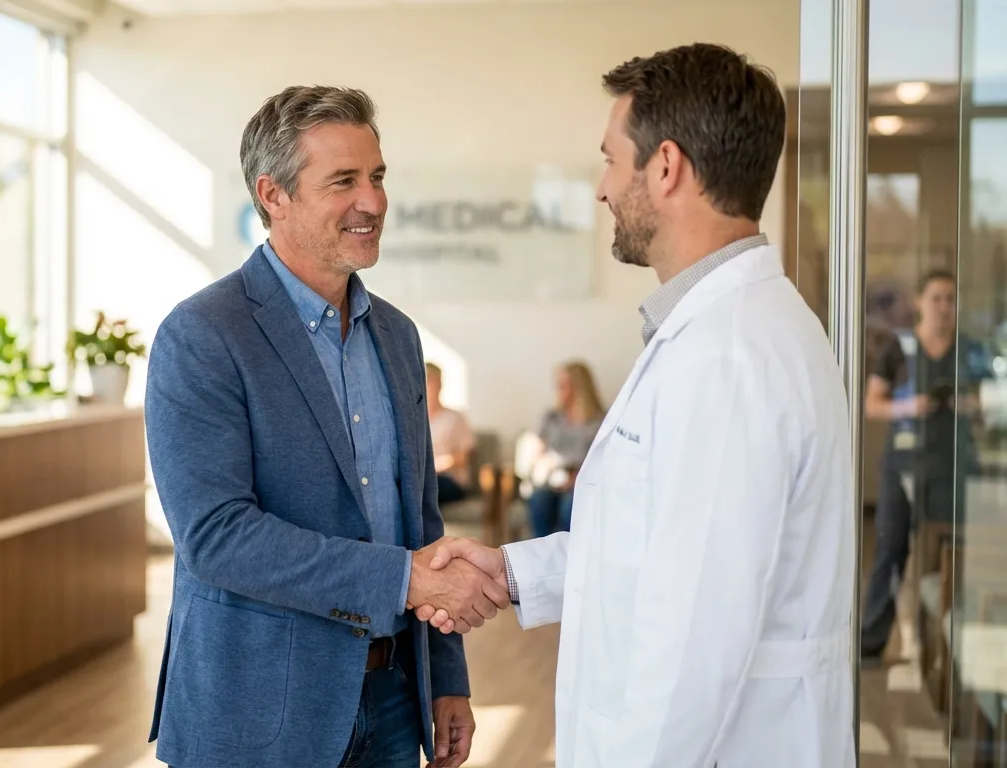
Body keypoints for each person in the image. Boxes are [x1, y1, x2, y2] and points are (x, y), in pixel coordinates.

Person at [411, 43, 857, 767]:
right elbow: (655, 547)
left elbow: (692, 639)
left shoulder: (729, 355)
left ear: (668, 166)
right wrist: (511, 572)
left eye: (612, 160)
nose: (602, 189)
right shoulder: (718, 332)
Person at [144, 85, 506, 768]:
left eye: (376, 177)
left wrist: (447, 679)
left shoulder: (396, 336)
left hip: (396, 696)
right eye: (343, 180)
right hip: (259, 713)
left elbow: (421, 523)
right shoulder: (201, 335)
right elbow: (216, 537)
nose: (371, 201)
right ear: (273, 195)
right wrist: (402, 581)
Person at [860, 268, 992, 665]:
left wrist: (971, 405)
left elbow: (991, 405)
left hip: (950, 468)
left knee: (945, 562)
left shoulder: (969, 350)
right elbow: (872, 404)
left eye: (950, 299)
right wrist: (909, 407)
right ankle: (870, 647)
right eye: (936, 298)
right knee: (890, 554)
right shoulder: (898, 348)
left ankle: (940, 652)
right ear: (919, 302)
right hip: (902, 469)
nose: (944, 307)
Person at [522, 361, 606, 537]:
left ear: (580, 388)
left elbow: (601, 460)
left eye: (565, 386)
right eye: (558, 385)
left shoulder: (599, 423)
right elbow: (536, 452)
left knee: (571, 504)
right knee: (539, 500)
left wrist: (576, 477)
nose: (559, 390)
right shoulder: (550, 418)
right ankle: (540, 554)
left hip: (581, 480)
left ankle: (567, 557)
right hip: (551, 479)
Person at [425, 362, 477, 504]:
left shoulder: (455, 418)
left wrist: (434, 466)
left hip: (449, 480)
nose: (428, 386)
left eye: (432, 381)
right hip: (421, 477)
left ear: (440, 384)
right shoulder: (413, 421)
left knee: (426, 488)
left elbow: (462, 458)